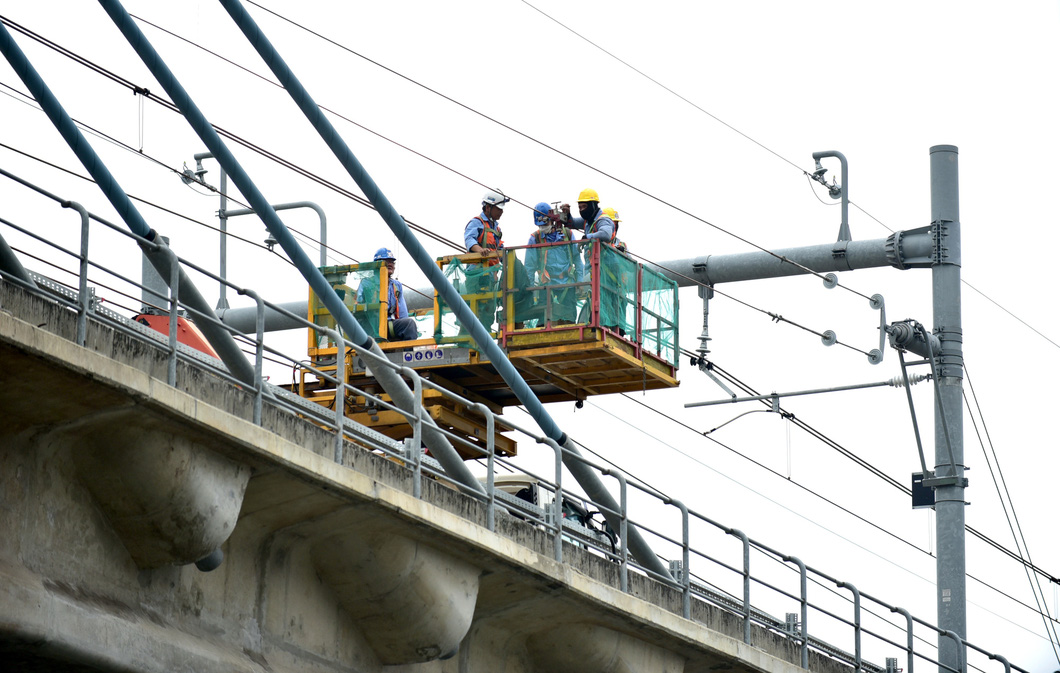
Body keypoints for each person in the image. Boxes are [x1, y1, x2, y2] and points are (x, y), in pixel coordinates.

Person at [562, 189, 626, 334]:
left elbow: (606, 234)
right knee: (599, 299)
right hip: (596, 269)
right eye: (580, 207)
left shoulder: (602, 220)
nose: (582, 210)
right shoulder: (589, 220)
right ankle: (596, 325)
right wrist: (567, 215)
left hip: (607, 268)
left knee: (607, 300)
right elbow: (572, 223)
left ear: (593, 205)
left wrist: (588, 236)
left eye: (584, 207)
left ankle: (609, 329)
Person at [523, 202, 585, 326]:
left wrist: (580, 283)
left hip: (567, 285)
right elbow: (529, 268)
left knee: (569, 323)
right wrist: (529, 291)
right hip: (545, 287)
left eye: (545, 224)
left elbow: (577, 260)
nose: (542, 227)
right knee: (543, 324)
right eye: (540, 225)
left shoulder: (567, 235)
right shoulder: (535, 239)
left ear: (551, 220)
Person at [357, 247, 418, 341]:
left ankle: (407, 354)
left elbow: (403, 313)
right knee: (409, 324)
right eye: (386, 261)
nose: (390, 264)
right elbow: (358, 306)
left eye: (391, 262)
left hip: (388, 324)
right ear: (376, 264)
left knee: (409, 325)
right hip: (371, 325)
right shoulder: (366, 283)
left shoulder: (396, 286)